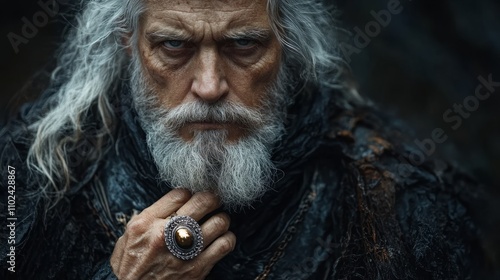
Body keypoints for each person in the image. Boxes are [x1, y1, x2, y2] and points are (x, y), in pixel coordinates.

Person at [0, 0, 496, 279]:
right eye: (175, 46)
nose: (211, 86)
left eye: (243, 45)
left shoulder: (404, 208)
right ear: (128, 44)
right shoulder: (29, 173)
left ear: (288, 46)